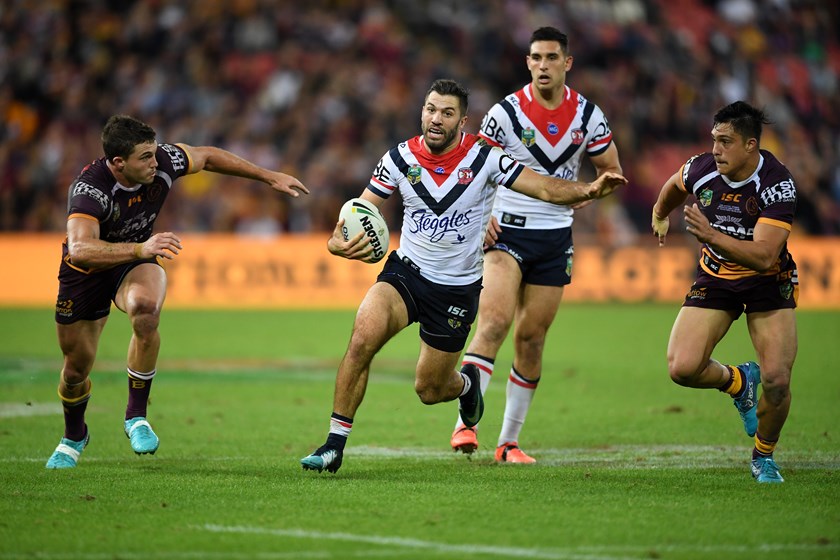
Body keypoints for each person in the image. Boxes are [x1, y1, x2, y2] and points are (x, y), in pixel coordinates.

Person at [300, 78, 626, 473]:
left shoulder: (487, 157)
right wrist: (338, 242)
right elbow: (358, 211)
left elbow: (543, 188)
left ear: (462, 121)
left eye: (447, 113)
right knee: (361, 338)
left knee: (430, 389)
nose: (436, 119)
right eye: (430, 109)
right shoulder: (399, 158)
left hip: (456, 289)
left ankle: (467, 386)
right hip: (406, 273)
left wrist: (590, 189)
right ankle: (334, 444)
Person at [46, 115, 308, 469]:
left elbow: (209, 157)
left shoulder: (163, 160)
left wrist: (269, 176)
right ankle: (74, 435)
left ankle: (136, 416)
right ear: (118, 163)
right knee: (76, 370)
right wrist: (140, 249)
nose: (156, 162)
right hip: (87, 273)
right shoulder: (89, 189)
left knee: (145, 308)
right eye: (145, 158)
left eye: (154, 154)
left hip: (133, 261)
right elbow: (80, 250)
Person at [447, 27, 623, 463]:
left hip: (555, 237)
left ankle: (508, 443)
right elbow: (474, 169)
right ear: (527, 63)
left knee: (532, 339)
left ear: (567, 63)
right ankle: (465, 426)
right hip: (504, 230)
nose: (542, 65)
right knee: (494, 321)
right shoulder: (505, 113)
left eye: (550, 57)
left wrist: (592, 190)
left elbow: (612, 170)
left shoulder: (589, 116)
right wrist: (481, 215)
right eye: (535, 58)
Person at [651, 101, 798, 484]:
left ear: (751, 145)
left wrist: (711, 235)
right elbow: (672, 187)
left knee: (779, 382)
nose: (716, 149)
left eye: (726, 141)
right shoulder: (702, 168)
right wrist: (660, 214)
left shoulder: (777, 184)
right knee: (682, 368)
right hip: (716, 278)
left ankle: (763, 456)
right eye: (714, 139)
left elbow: (766, 257)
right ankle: (738, 381)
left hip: (767, 281)